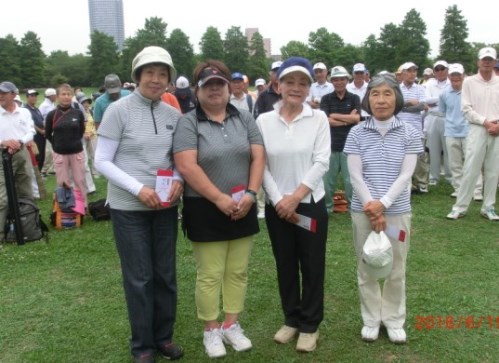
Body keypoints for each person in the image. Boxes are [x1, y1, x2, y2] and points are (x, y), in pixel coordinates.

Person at [95, 46, 185, 363]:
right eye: (150, 72)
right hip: (128, 208)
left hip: (163, 207)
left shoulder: (173, 115)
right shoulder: (117, 110)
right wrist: (137, 189)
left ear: (169, 80)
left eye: (163, 74)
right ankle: (142, 345)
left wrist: (177, 180)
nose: (156, 79)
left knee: (165, 275)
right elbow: (101, 160)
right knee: (139, 277)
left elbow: (178, 160)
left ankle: (163, 337)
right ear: (137, 76)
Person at [173, 60, 265, 359]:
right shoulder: (188, 122)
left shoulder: (244, 117)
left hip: (243, 203)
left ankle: (231, 324)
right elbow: (187, 165)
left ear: (229, 88)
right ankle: (211, 329)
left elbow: (258, 157)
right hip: (205, 207)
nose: (215, 90)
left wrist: (251, 194)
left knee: (237, 271)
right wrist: (219, 199)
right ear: (198, 90)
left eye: (220, 85)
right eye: (208, 85)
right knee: (210, 273)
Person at [256, 57, 330, 352]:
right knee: (285, 263)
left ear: (310, 88)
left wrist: (296, 197)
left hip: (309, 203)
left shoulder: (318, 119)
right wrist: (279, 201)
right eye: (290, 82)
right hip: (278, 207)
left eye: (303, 83)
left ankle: (310, 325)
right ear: (278, 85)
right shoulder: (264, 120)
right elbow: (261, 165)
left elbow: (322, 160)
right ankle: (292, 318)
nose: (296, 88)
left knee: (312, 264)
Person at [344, 74, 423, 344]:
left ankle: (393, 319)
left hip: (397, 211)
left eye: (387, 93)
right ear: (368, 99)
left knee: (397, 266)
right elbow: (355, 175)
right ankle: (371, 319)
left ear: (396, 98)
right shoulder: (356, 132)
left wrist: (383, 205)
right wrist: (372, 208)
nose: (381, 100)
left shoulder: (411, 132)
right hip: (362, 210)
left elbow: (406, 175)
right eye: (375, 94)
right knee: (366, 264)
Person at [446, 47, 499, 221]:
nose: (486, 62)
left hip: (497, 130)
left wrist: (496, 125)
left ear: (494, 62)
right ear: (478, 61)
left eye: (490, 59)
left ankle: (488, 207)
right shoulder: (469, 82)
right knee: (471, 168)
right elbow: (466, 109)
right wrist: (486, 122)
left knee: (493, 170)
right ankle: (460, 207)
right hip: (477, 128)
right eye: (484, 59)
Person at [320, 65, 361, 213]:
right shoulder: (326, 98)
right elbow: (325, 120)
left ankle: (352, 207)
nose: (339, 82)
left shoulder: (354, 98)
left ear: (347, 80)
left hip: (350, 146)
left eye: (342, 79)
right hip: (331, 145)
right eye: (335, 80)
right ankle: (327, 208)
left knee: (350, 181)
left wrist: (335, 116)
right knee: (328, 182)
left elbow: (357, 118)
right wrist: (347, 120)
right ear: (332, 82)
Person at [439, 63, 483, 199]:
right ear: (449, 76)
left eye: (458, 75)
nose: (455, 77)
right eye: (453, 75)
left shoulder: (472, 91)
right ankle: (458, 189)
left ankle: (476, 191)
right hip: (451, 131)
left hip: (469, 131)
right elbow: (444, 111)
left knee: (472, 162)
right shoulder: (444, 93)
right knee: (455, 163)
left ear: (463, 75)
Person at [0, 81, 36, 242]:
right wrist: (4, 142)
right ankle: (1, 234)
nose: (0, 95)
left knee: (26, 191)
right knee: (2, 197)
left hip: (21, 153)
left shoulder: (24, 112)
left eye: (4, 93)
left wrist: (19, 142)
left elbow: (31, 131)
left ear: (14, 95)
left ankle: (28, 227)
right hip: (2, 154)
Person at [45, 84, 88, 208]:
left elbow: (81, 131)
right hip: (59, 153)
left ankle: (83, 207)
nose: (66, 97)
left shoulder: (78, 113)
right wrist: (57, 144)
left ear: (72, 96)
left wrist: (72, 142)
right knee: (62, 181)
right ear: (57, 97)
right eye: (63, 94)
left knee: (80, 180)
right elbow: (48, 134)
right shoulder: (51, 115)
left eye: (69, 94)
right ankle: (65, 208)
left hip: (76, 152)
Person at [397, 62, 428, 194]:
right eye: (409, 71)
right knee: (401, 157)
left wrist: (403, 106)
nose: (412, 74)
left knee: (420, 157)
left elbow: (422, 106)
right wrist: (409, 103)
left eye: (414, 71)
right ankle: (406, 184)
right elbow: (395, 106)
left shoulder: (420, 88)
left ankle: (422, 183)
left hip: (416, 127)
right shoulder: (397, 89)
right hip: (400, 127)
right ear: (403, 73)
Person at [425, 60, 451, 186]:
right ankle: (433, 176)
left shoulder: (451, 82)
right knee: (433, 149)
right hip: (433, 117)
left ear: (447, 70)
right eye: (437, 69)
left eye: (442, 69)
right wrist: (442, 98)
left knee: (448, 149)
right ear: (434, 72)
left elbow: (450, 100)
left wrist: (435, 100)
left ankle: (450, 175)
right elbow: (426, 100)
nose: (440, 71)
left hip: (447, 117)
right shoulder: (430, 83)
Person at [24, 89, 45, 172]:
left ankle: (38, 174)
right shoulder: (25, 109)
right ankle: (35, 176)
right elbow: (31, 124)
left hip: (42, 137)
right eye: (31, 96)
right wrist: (40, 131)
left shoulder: (36, 109)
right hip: (34, 137)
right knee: (35, 157)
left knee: (41, 156)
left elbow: (41, 121)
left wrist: (45, 130)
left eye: (35, 96)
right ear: (27, 97)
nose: (34, 98)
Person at [39, 88, 57, 176]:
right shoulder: (44, 106)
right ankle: (44, 169)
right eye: (55, 95)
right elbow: (40, 119)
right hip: (48, 130)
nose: (56, 97)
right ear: (51, 96)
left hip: (53, 129)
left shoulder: (51, 104)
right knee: (49, 151)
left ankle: (52, 169)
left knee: (52, 150)